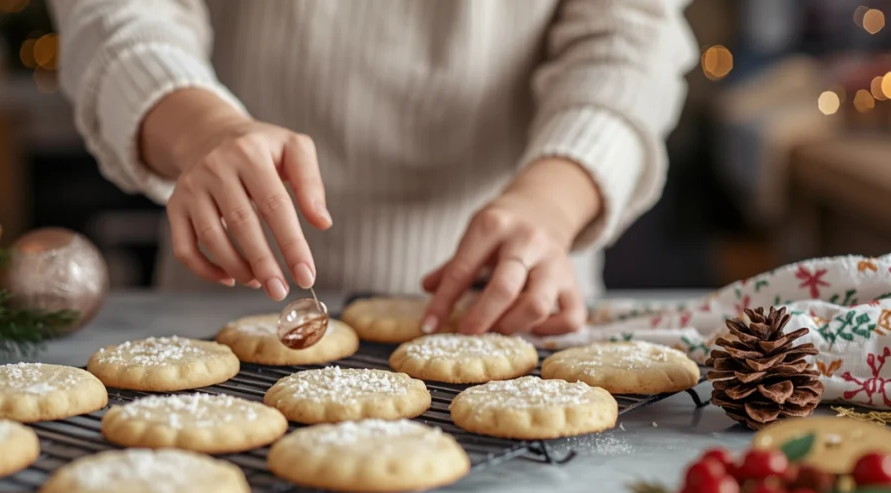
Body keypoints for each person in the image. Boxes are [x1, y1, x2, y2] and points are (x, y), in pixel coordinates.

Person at [49, 0, 697, 337]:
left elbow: (629, 42)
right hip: (224, 308)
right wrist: (203, 129)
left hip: (516, 306)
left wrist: (550, 206)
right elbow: (117, 13)